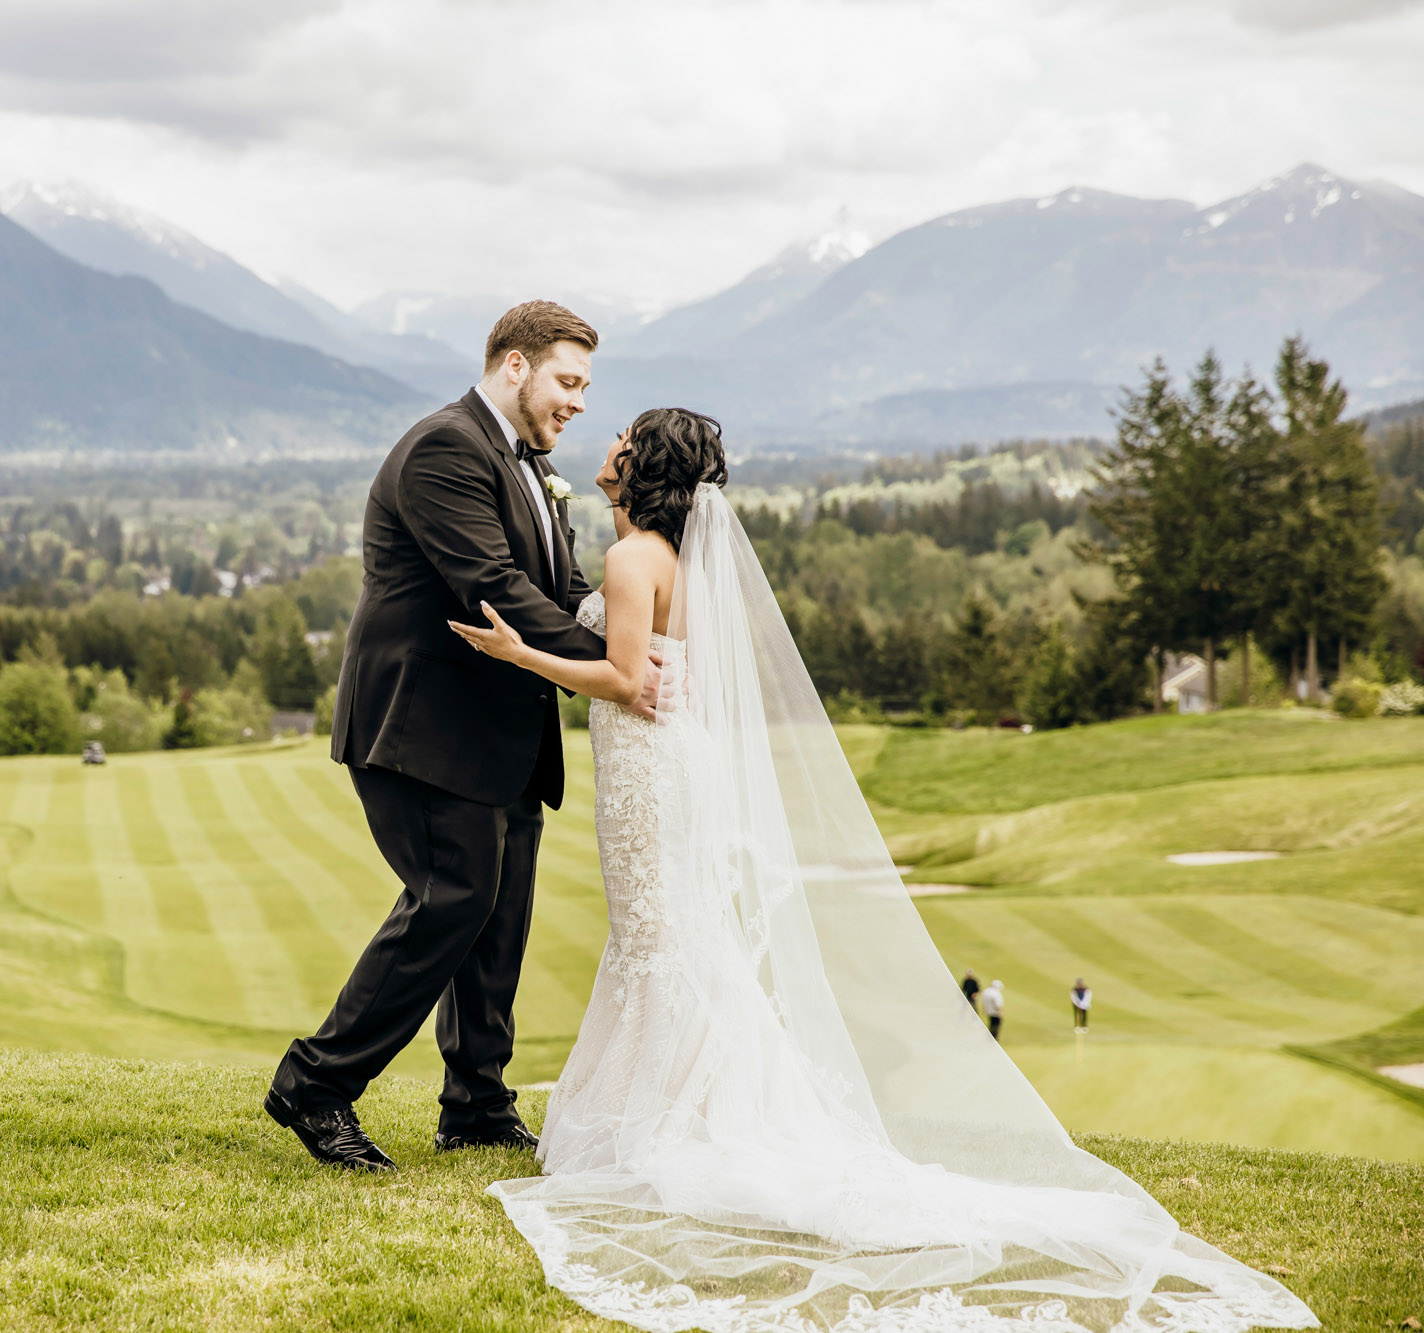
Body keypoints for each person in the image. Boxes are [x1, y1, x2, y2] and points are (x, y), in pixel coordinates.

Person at [450, 409, 1312, 1333]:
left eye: (622, 438)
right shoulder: (679, 562)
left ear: (642, 465)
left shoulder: (633, 562)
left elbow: (626, 679)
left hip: (649, 780)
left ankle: (674, 1125)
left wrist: (518, 652)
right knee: (671, 939)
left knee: (662, 941)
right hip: (671, 769)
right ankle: (676, 1108)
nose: (607, 446)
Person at [264, 301, 661, 1172]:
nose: (579, 402)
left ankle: (476, 1101)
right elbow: (491, 585)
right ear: (513, 367)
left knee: (499, 913)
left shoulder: (529, 463)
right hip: (423, 727)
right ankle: (316, 1083)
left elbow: (556, 586)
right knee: (453, 898)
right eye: (568, 380)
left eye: (586, 385)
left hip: (504, 731)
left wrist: (634, 635)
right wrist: (617, 665)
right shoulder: (446, 448)